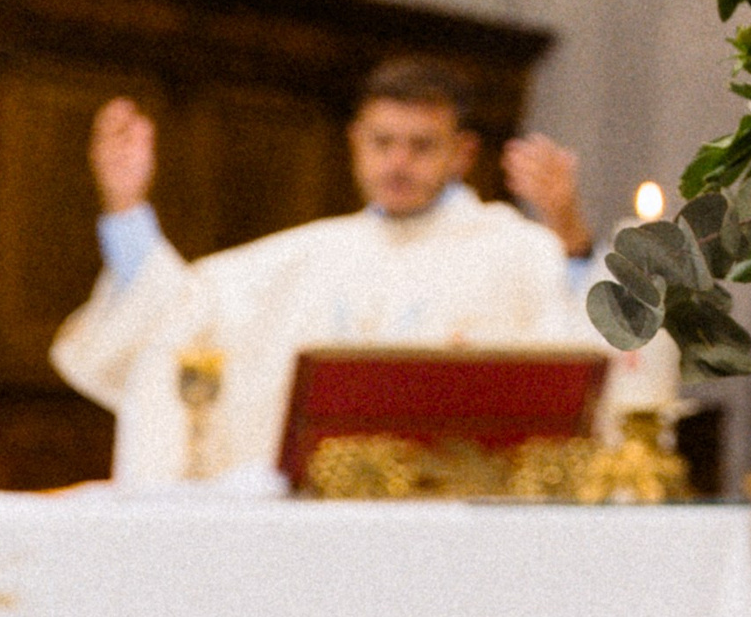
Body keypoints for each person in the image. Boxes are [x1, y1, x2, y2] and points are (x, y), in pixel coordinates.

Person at [50, 55, 674, 485]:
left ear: (463, 153)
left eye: (421, 145)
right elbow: (179, 314)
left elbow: (591, 345)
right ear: (355, 142)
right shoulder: (309, 255)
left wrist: (568, 228)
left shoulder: (514, 249)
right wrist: (126, 210)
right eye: (382, 142)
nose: (397, 162)